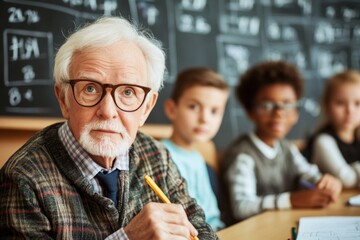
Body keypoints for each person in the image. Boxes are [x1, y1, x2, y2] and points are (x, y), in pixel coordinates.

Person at [0, 17, 218, 239]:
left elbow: (199, 227)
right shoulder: (22, 179)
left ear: (146, 108)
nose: (108, 110)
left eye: (128, 92)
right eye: (91, 88)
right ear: (64, 99)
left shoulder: (156, 156)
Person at [221, 60, 342, 222]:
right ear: (250, 112)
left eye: (287, 105)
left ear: (296, 114)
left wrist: (327, 182)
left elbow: (309, 174)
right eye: (267, 105)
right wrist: (292, 200)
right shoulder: (243, 155)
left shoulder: (287, 148)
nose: (278, 113)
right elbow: (241, 208)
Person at [162, 67, 228, 231]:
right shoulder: (160, 156)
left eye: (214, 111)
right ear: (172, 109)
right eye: (194, 107)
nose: (204, 119)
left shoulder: (198, 158)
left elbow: (212, 214)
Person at [302, 70, 360, 188]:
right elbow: (347, 180)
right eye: (340, 103)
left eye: (357, 103)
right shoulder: (322, 140)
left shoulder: (357, 137)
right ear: (327, 106)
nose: (350, 111)